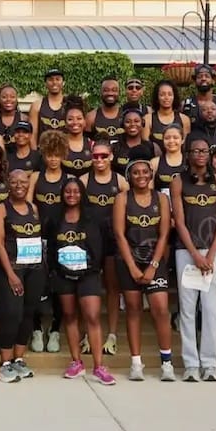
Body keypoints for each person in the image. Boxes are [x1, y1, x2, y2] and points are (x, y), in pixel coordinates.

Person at [172, 136, 216, 382]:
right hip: (186, 253)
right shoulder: (178, 182)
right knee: (187, 309)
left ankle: (209, 363)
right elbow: (179, 222)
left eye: (204, 150)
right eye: (195, 150)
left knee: (209, 308)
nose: (200, 154)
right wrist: (195, 254)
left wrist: (211, 253)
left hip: (213, 252)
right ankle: (191, 364)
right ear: (188, 154)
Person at [113, 159, 174, 381]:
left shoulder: (162, 199)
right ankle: (136, 362)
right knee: (133, 309)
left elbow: (164, 234)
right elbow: (119, 234)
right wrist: (131, 266)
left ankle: (166, 363)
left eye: (145, 172)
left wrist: (153, 266)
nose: (141, 175)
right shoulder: (122, 199)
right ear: (129, 177)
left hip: (154, 260)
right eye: (136, 172)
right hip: (129, 260)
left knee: (160, 309)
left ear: (151, 175)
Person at [49, 179, 115, 384]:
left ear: (82, 193)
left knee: (92, 316)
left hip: (89, 274)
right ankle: (76, 362)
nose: (71, 195)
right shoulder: (54, 218)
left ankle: (99, 366)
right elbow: (50, 247)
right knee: (69, 316)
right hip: (63, 274)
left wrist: (94, 265)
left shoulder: (93, 217)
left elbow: (103, 245)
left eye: (76, 191)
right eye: (67, 191)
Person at [0, 168, 46, 382]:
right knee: (11, 313)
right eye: (15, 182)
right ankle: (5, 363)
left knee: (28, 313)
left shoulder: (33, 208)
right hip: (11, 269)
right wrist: (10, 274)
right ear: (8, 184)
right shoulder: (1, 209)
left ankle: (19, 359)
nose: (19, 186)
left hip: (34, 268)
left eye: (23, 182)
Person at [80, 141, 128, 357]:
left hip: (112, 240)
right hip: (89, 242)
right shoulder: (83, 181)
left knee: (112, 287)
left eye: (103, 156)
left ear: (111, 157)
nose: (99, 160)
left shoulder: (120, 181)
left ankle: (111, 335)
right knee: (86, 289)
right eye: (95, 156)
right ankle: (86, 335)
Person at [29, 130, 68, 354]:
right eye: (49, 155)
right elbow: (27, 205)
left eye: (57, 155)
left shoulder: (69, 179)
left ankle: (55, 329)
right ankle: (35, 328)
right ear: (43, 155)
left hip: (61, 239)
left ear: (63, 155)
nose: (53, 159)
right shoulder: (35, 177)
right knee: (35, 283)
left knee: (59, 285)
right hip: (37, 237)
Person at [181, 64, 216, 131]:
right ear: (194, 81)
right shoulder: (186, 105)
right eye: (199, 77)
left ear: (213, 80)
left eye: (207, 76)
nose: (203, 79)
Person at [113, 108, 158, 176]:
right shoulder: (115, 148)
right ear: (122, 124)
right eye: (128, 122)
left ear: (142, 123)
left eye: (136, 121)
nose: (132, 124)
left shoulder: (152, 147)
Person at [29, 68, 67, 147]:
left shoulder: (70, 104)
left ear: (63, 83)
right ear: (45, 83)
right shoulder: (37, 105)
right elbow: (33, 135)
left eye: (58, 79)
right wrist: (34, 155)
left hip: (66, 153)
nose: (54, 82)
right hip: (43, 153)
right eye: (50, 79)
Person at [148, 80, 190, 150]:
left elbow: (185, 146)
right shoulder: (148, 119)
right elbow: (146, 145)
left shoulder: (184, 119)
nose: (166, 97)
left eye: (170, 94)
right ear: (157, 97)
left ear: (174, 96)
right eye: (162, 95)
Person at [87, 76, 126, 144]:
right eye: (106, 90)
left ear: (119, 92)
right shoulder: (91, 117)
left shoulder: (127, 115)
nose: (110, 93)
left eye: (114, 90)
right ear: (101, 92)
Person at [61, 97, 93, 177]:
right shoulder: (58, 144)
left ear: (85, 121)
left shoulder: (92, 145)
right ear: (65, 123)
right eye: (70, 119)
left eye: (79, 118)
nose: (75, 122)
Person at [150, 125, 186, 194]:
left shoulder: (189, 161)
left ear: (182, 140)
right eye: (167, 138)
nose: (171, 141)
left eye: (175, 138)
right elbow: (150, 189)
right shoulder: (155, 162)